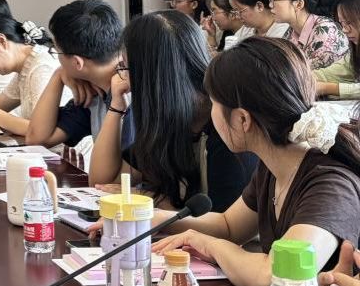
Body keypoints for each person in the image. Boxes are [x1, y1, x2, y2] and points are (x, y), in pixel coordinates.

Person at [154, 38, 360, 286]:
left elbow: (277, 279)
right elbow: (229, 226)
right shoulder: (275, 164)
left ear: (242, 119)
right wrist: (150, 218)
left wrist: (210, 245)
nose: (211, 113)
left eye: (214, 103)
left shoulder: (330, 185)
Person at [90, 11, 258, 213]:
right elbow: (102, 184)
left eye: (125, 68)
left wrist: (151, 199)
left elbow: (223, 221)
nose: (122, 78)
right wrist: (116, 106)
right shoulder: (167, 120)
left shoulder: (227, 123)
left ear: (151, 76)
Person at [25, 0, 124, 148]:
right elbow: (37, 139)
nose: (58, 59)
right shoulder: (94, 91)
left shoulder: (129, 96)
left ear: (77, 63)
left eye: (56, 51)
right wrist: (58, 75)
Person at [270, 0, 349, 70]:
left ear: (298, 4)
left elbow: (303, 76)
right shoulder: (290, 32)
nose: (270, 5)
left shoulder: (325, 31)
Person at [316, 0, 360, 100]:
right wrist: (302, 77)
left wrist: (327, 88)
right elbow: (337, 70)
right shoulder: (355, 51)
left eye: (349, 23)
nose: (344, 30)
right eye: (342, 24)